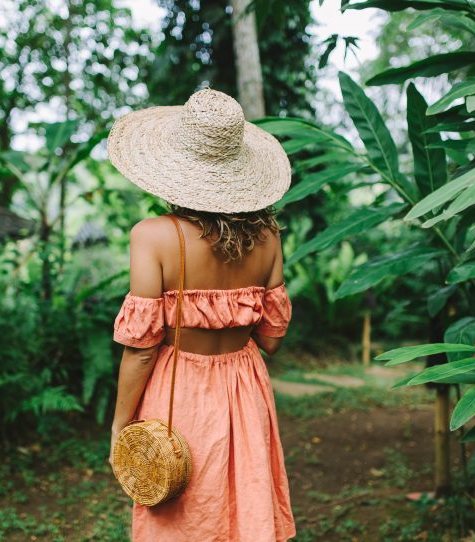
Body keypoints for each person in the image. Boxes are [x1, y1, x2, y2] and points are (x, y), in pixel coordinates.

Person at [106, 87, 297, 541]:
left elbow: (142, 350)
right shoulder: (268, 237)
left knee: (182, 514)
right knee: (241, 507)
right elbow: (271, 340)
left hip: (180, 389)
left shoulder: (152, 236)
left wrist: (119, 425)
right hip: (244, 389)